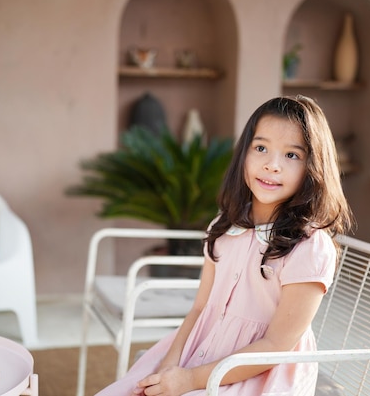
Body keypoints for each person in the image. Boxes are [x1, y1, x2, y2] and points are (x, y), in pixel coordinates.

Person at [95, 95, 354, 396]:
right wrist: (171, 363)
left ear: (313, 166)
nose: (272, 165)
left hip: (259, 375)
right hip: (200, 348)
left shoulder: (309, 246)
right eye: (261, 148)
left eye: (291, 155)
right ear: (244, 154)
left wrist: (190, 380)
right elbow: (200, 308)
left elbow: (276, 345)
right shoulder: (225, 227)